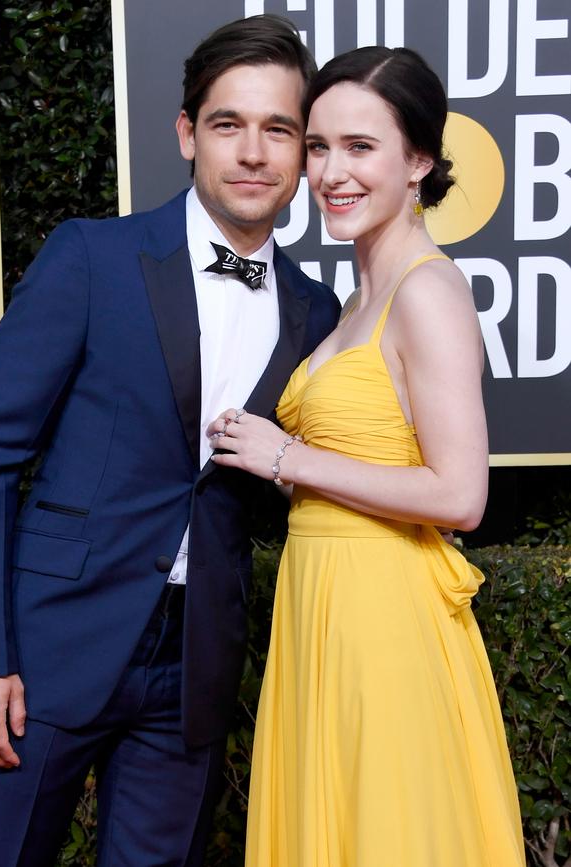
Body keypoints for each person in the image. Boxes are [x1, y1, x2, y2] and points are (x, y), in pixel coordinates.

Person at [0, 15, 340, 866]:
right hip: (51, 648)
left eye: (280, 130)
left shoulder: (318, 310)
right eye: (229, 124)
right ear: (188, 133)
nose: (255, 152)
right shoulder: (93, 256)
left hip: (194, 663)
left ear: (306, 152)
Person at [208, 46, 526, 866]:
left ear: (418, 159)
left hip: (385, 618)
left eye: (360, 147)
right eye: (317, 147)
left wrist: (288, 458)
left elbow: (461, 494)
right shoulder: (358, 298)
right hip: (324, 608)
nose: (330, 172)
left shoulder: (428, 289)